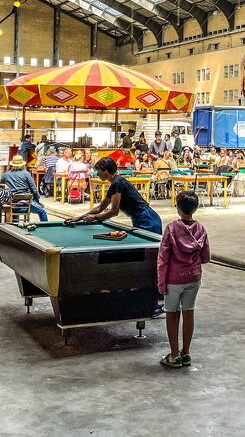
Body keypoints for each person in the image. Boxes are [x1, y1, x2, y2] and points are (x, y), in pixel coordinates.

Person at [157, 190, 210, 368]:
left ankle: (173, 355)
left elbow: (163, 258)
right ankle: (186, 353)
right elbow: (205, 257)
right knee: (189, 311)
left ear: (178, 208)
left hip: (174, 279)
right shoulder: (201, 228)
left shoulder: (171, 228)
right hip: (194, 277)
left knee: (172, 313)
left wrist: (161, 282)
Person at [69, 157, 162, 233]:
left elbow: (114, 211)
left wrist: (95, 217)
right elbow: (100, 208)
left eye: (98, 171)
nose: (97, 174)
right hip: (141, 218)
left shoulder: (117, 183)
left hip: (147, 218)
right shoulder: (115, 183)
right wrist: (79, 218)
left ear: (105, 171)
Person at [1, 154, 47, 221]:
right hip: (26, 203)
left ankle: (15, 226)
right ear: (23, 164)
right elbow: (34, 189)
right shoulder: (26, 174)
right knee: (42, 210)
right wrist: (38, 201)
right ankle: (45, 227)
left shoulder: (5, 175)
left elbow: (1, 188)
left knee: (15, 210)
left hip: (11, 204)